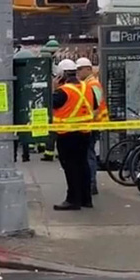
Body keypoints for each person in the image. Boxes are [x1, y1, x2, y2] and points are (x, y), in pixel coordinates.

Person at [52, 59, 97, 211]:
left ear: (60, 75)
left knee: (71, 168)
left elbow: (51, 104)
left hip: (67, 136)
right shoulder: (87, 87)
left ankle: (72, 199)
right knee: (83, 165)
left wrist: (54, 88)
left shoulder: (62, 91)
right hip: (85, 133)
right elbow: (96, 105)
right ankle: (86, 199)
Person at [76, 57, 108, 195]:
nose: (78, 72)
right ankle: (89, 183)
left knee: (89, 155)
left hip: (93, 124)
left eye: (79, 69)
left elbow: (96, 105)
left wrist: (87, 118)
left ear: (88, 69)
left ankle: (91, 184)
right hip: (92, 123)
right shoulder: (87, 83)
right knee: (88, 154)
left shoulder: (92, 84)